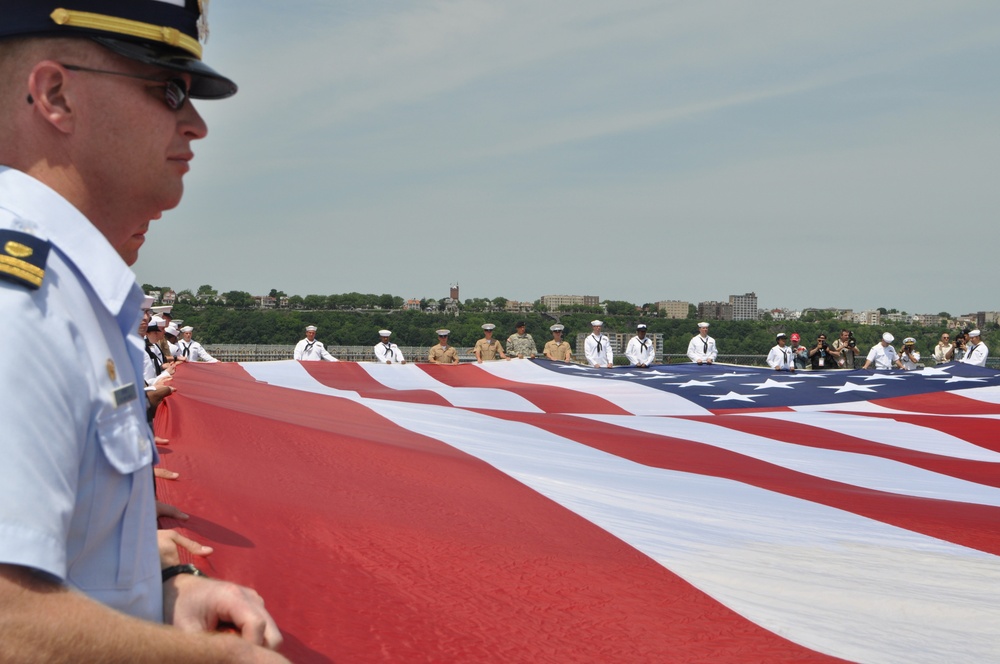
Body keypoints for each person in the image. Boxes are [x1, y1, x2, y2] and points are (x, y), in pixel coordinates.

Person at [0, 3, 285, 661]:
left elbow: (64, 564)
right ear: (55, 95)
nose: (197, 124)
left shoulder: (74, 297)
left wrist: (161, 592)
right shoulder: (20, 300)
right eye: (169, 90)